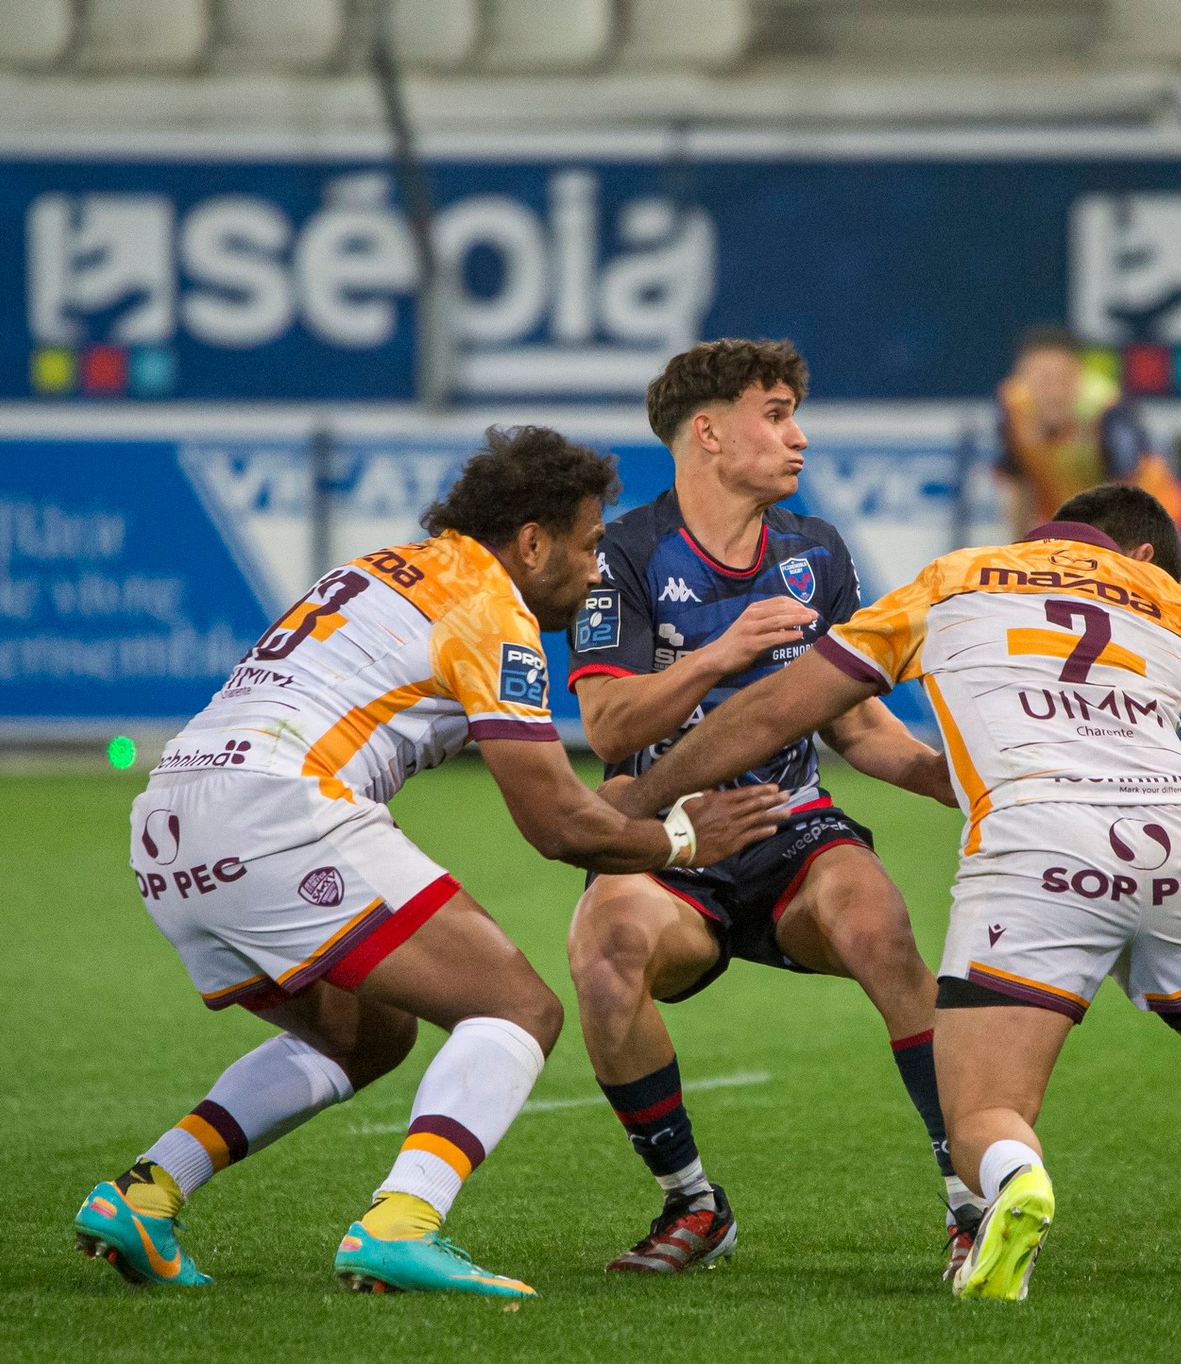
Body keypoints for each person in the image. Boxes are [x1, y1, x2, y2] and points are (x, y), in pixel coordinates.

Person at [607, 483, 1181, 1303]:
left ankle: (1015, 1189)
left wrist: (641, 800)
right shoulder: (1177, 607)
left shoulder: (951, 578)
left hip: (1038, 845)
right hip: (1178, 841)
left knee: (982, 1114)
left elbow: (779, 708)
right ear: (1142, 555)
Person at [71, 427, 781, 1299]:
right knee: (516, 1009)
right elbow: (558, 827)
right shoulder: (491, 608)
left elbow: (559, 801)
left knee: (364, 1033)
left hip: (166, 824)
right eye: (591, 544)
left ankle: (147, 1192)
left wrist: (645, 808)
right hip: (277, 807)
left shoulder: (385, 568)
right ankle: (401, 1223)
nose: (599, 571)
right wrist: (682, 842)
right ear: (531, 540)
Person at [563, 339, 984, 1278]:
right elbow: (605, 721)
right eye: (777, 412)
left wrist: (967, 790)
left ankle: (970, 1203)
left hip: (795, 829)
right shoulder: (623, 555)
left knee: (879, 926)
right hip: (673, 841)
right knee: (604, 950)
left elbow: (863, 729)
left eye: (794, 412)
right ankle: (693, 1203)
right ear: (708, 432)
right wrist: (717, 656)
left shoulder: (815, 550)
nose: (798, 437)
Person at [997, 324, 1181, 799]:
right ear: (1022, 378)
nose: (1049, 390)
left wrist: (1123, 568)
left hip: (1152, 529)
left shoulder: (1106, 410)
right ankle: (1065, 756)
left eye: (1059, 378)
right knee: (1055, 641)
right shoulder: (1010, 407)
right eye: (1037, 378)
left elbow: (1128, 497)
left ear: (1078, 377)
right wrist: (1017, 556)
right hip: (1070, 538)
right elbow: (1018, 485)